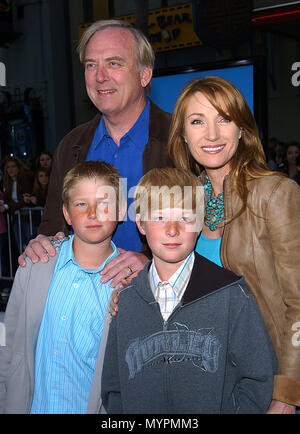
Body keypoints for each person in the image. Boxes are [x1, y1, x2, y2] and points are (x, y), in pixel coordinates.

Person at [166, 76, 300, 413]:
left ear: (242, 130)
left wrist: (286, 394)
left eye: (224, 119)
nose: (211, 134)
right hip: (206, 384)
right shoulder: (182, 202)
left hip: (266, 383)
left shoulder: (275, 194)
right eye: (197, 121)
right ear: (183, 135)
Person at [101, 167, 277, 414]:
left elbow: (257, 378)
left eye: (185, 218)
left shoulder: (230, 294)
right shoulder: (127, 300)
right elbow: (113, 387)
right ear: (141, 224)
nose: (172, 230)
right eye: (160, 218)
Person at [18, 19, 172, 289]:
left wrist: (151, 262)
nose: (100, 76)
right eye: (91, 65)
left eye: (114, 63)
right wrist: (42, 244)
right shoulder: (72, 146)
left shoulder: (178, 140)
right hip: (85, 304)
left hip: (159, 301)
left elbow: (204, 231)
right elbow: (54, 227)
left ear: (144, 75)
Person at [0, 160, 126, 414]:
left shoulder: (127, 283)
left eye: (104, 203)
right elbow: (10, 341)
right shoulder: (34, 266)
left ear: (121, 210)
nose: (93, 213)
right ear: (66, 214)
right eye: (81, 204)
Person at [1, 156, 33, 254]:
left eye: (13, 166)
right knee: (21, 246)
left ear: (18, 168)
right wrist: (10, 205)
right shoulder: (6, 183)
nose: (10, 169)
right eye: (8, 167)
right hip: (15, 218)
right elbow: (7, 201)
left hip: (28, 217)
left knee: (29, 244)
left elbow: (25, 200)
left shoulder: (25, 180)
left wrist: (8, 207)